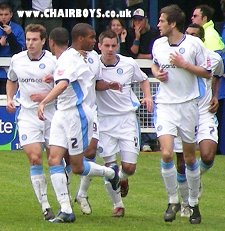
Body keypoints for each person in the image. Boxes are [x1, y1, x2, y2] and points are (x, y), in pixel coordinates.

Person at [37, 23, 120, 223]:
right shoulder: (70, 58)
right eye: (91, 37)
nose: (94, 41)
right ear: (80, 38)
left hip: (77, 114)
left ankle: (110, 173)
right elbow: (64, 81)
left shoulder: (73, 58)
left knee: (76, 166)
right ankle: (66, 210)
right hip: (62, 114)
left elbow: (65, 83)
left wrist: (44, 101)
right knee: (54, 159)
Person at [151, 4, 211, 224]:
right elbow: (155, 65)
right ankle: (173, 200)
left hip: (187, 105)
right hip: (165, 104)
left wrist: (184, 64)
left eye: (162, 21)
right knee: (166, 153)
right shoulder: (158, 44)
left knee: (188, 158)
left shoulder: (194, 44)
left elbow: (206, 72)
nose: (158, 25)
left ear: (173, 24)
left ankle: (193, 204)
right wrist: (158, 74)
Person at [95, 29, 153, 217]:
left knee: (129, 168)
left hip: (126, 119)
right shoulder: (93, 64)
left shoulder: (128, 63)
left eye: (114, 45)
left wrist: (148, 97)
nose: (110, 49)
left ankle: (124, 179)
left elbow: (144, 80)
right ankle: (118, 204)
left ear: (117, 46)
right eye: (107, 46)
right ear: (99, 46)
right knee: (110, 167)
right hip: (104, 121)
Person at [6, 24, 56, 220]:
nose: (30, 43)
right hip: (28, 115)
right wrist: (10, 98)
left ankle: (64, 196)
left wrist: (45, 97)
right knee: (35, 157)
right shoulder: (17, 60)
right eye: (28, 39)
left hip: (52, 114)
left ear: (43, 41)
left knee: (56, 159)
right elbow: (12, 80)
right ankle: (45, 205)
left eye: (34, 39)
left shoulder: (53, 61)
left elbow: (64, 87)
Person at [174, 23, 224, 217]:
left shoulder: (215, 58)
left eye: (194, 35)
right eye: (188, 34)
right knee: (180, 162)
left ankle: (194, 179)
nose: (190, 38)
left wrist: (215, 96)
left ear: (201, 39)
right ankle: (186, 204)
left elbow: (217, 76)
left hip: (204, 113)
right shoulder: (177, 58)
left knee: (208, 156)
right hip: (182, 111)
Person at [0, 2, 25, 94]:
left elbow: (20, 51)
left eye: (6, 14)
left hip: (12, 73)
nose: (3, 17)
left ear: (11, 15)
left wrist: (10, 35)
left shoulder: (17, 29)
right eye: (1, 14)